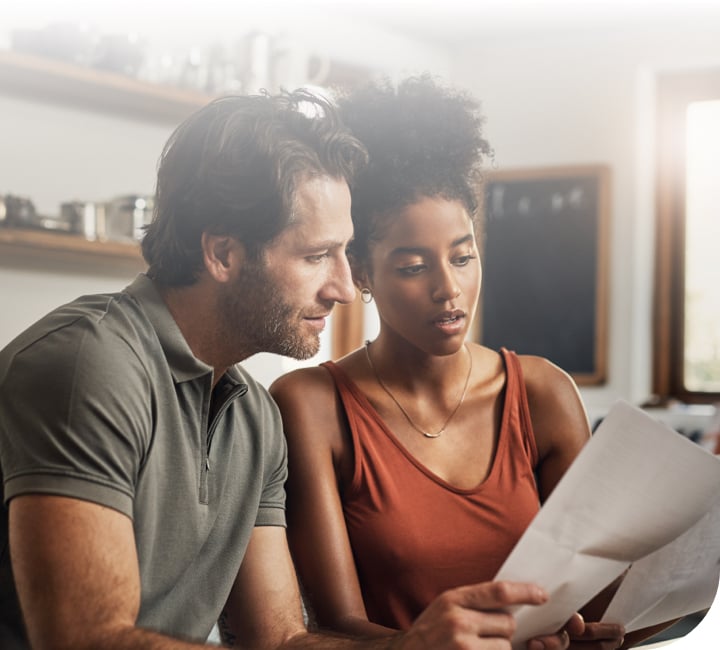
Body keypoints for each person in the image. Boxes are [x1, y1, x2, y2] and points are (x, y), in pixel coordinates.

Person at [0, 89, 577, 650]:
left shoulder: (251, 414)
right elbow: (85, 640)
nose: (346, 288)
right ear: (223, 254)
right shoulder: (89, 363)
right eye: (315, 256)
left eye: (343, 253)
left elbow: (277, 639)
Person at [269, 77, 633, 649]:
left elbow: (593, 602)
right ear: (360, 271)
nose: (449, 289)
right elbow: (337, 625)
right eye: (413, 267)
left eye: (463, 257)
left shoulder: (542, 395)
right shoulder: (311, 406)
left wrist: (592, 634)